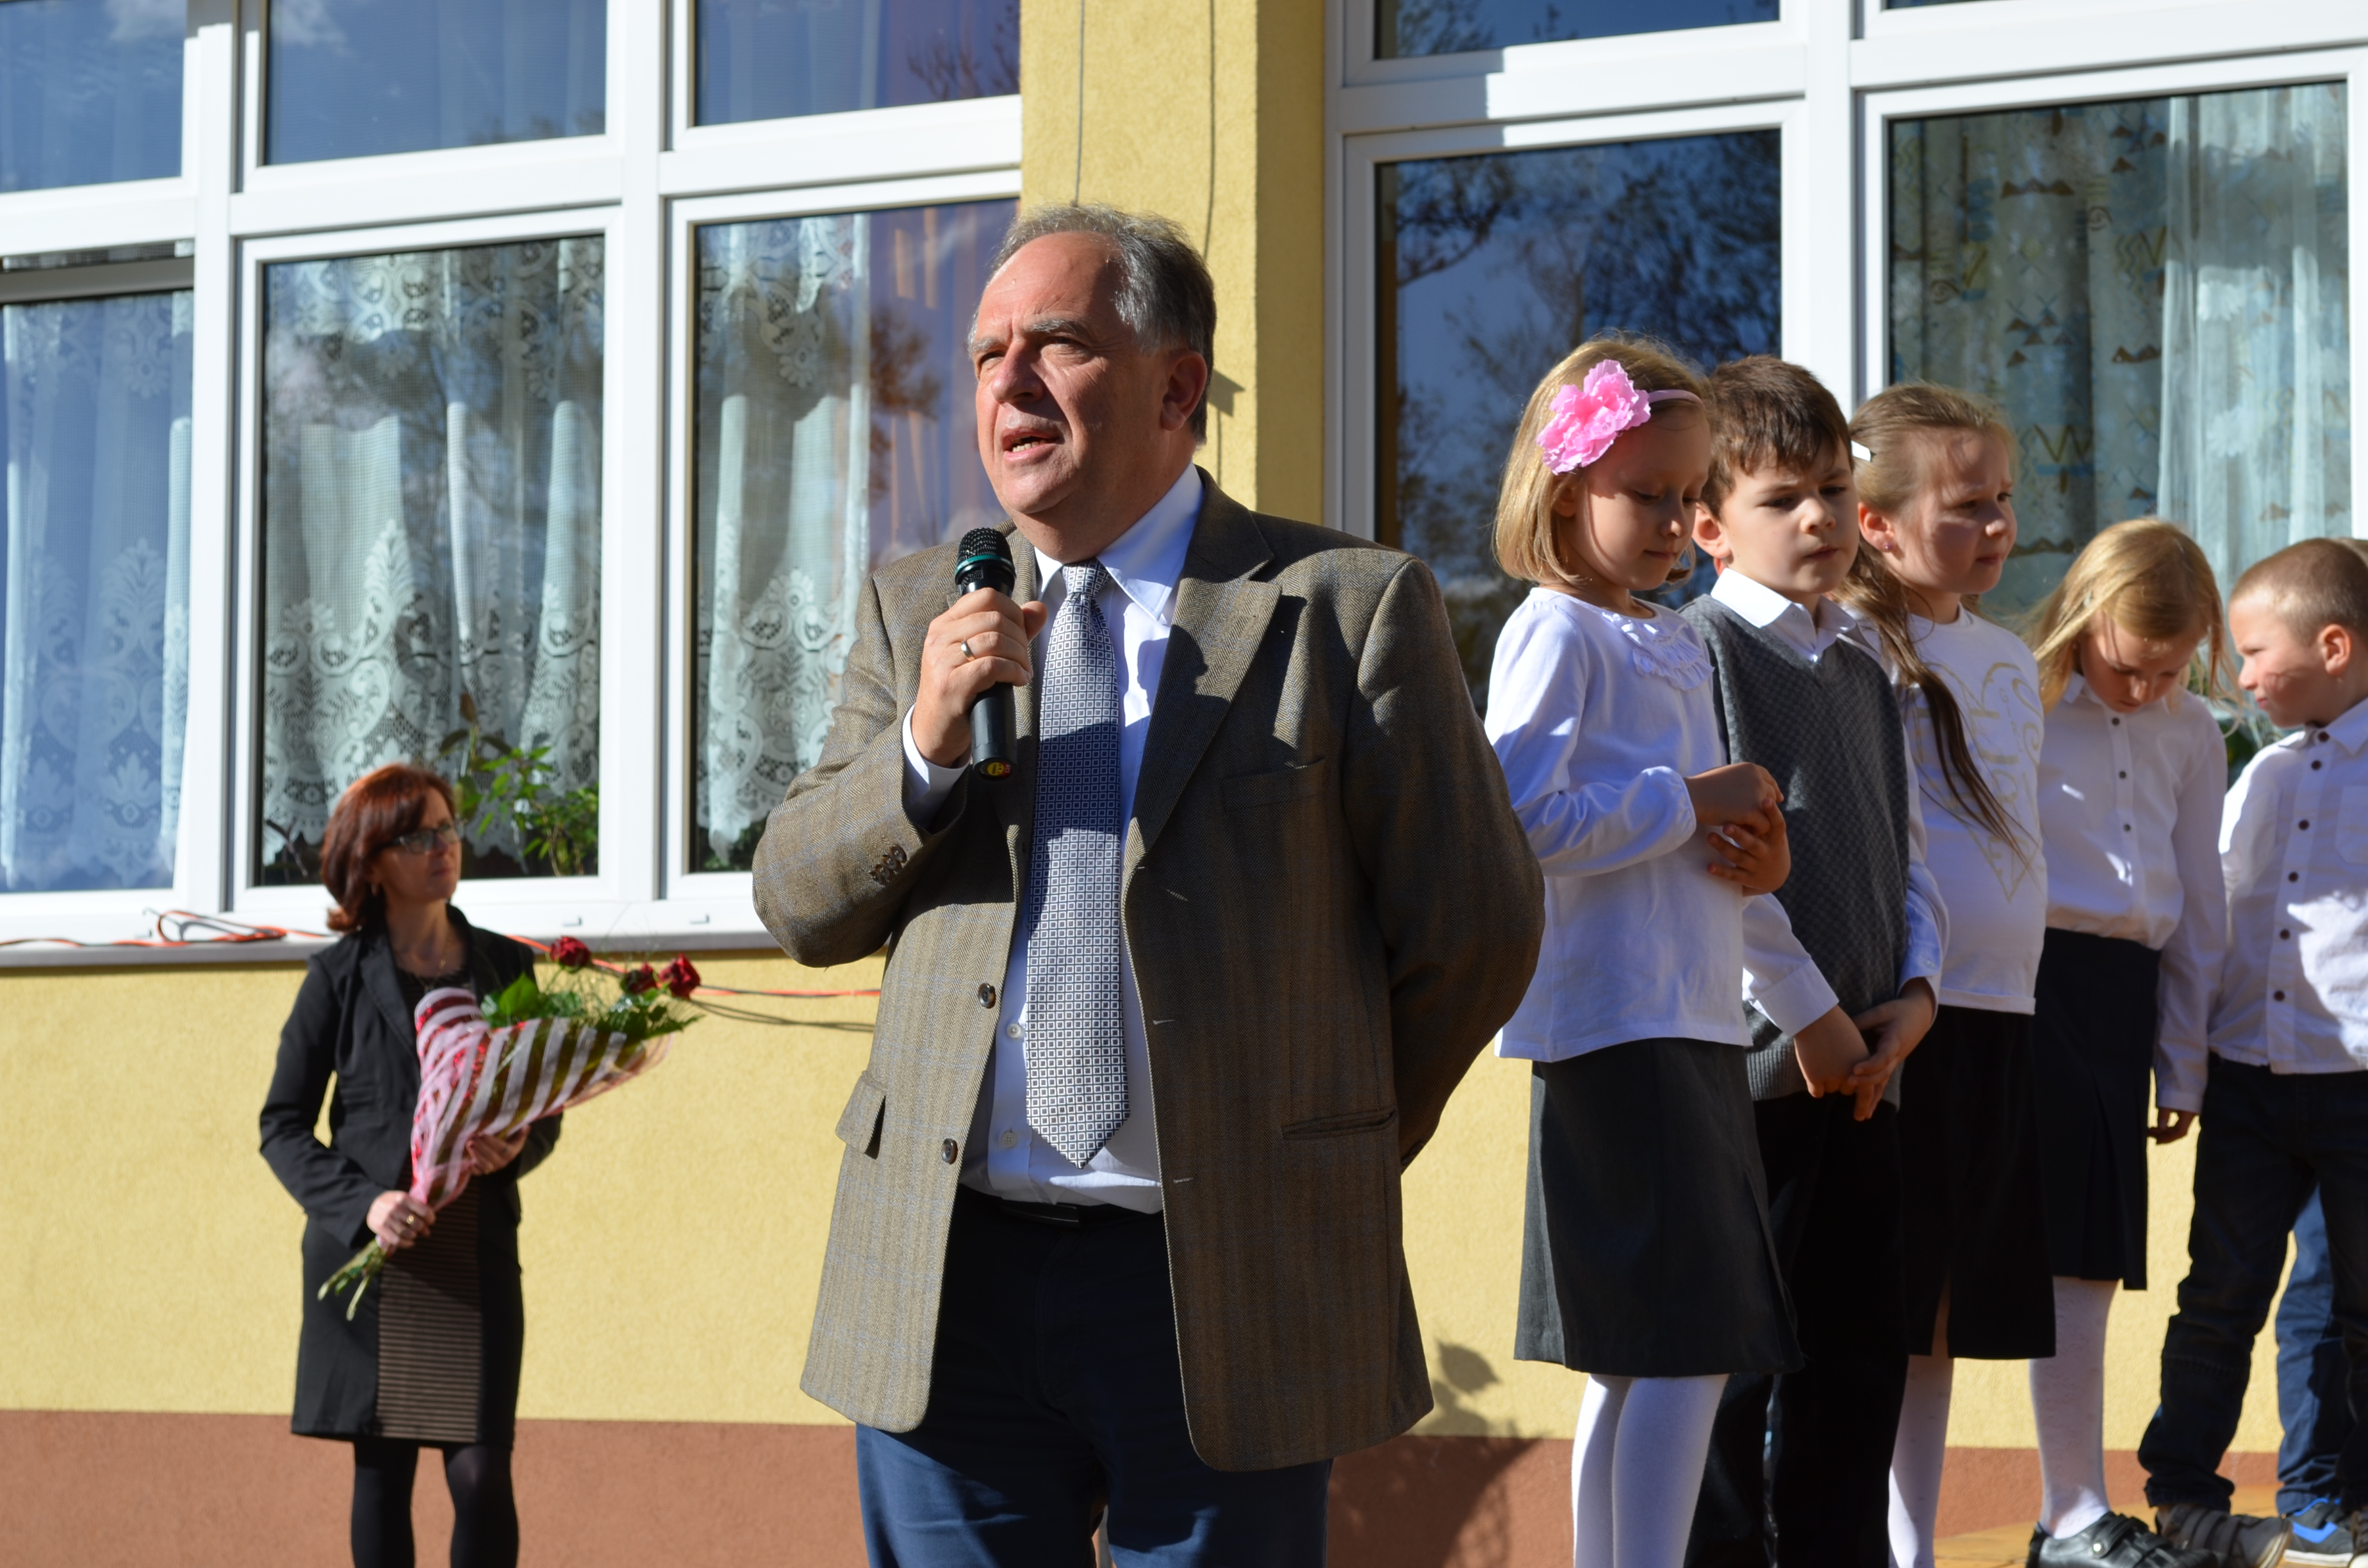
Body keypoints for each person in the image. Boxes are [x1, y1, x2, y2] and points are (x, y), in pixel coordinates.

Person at [751, 202, 1543, 1565]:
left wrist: (1318, 1146)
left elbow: (1473, 930)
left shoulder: (1342, 607)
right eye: (987, 351)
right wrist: (925, 748)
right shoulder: (918, 606)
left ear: (1178, 388)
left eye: (1055, 343)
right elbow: (797, 900)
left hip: (1225, 1277)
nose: (1006, 381)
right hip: (947, 1283)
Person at [1483, 337, 1851, 1568]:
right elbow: (1521, 821)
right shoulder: (1554, 631)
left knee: (1653, 1353)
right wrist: (1687, 801)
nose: (1673, 522)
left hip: (1691, 1024)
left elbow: (1713, 857)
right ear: (1563, 490)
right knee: (1685, 1347)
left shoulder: (1671, 640)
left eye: (1688, 496)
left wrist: (1783, 936)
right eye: (1644, 493)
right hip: (1614, 1025)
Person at [1679, 355, 1946, 1568]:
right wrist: (1813, 1020)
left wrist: (1917, 996)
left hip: (1871, 1068)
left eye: (1834, 489)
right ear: (1709, 527)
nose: (1819, 519)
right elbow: (1719, 871)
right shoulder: (1697, 655)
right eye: (1782, 497)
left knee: (1858, 1351)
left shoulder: (1865, 663)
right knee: (1736, 1366)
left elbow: (1904, 850)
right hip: (1756, 1072)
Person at [1838, 383, 2057, 1568]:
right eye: (1965, 504)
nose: (1996, 524)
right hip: (1904, 1014)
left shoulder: (2006, 655)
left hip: (1999, 1011)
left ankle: (1910, 1546)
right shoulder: (1855, 650)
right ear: (1875, 523)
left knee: (1939, 1319)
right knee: (1874, 1307)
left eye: (2003, 498)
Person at [259, 764, 559, 1568]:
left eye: (448, 828)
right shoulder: (337, 978)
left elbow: (543, 1105)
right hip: (379, 1255)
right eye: (418, 835)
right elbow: (281, 1126)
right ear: (372, 861)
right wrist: (365, 1205)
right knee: (383, 1478)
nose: (443, 846)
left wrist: (518, 1145)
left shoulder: (505, 966)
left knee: (482, 1477)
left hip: (472, 1258)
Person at [2135, 538, 2368, 1568]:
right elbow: (2216, 917)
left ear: (2334, 646)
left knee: (2348, 1305)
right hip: (2249, 1083)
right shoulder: (2262, 773)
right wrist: (2186, 1061)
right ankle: (2182, 1494)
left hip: (2357, 1084)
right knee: (2220, 1293)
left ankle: (2329, 1501)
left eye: (2255, 651)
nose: (2238, 674)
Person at [2018, 519, 2230, 1568]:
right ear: (2085, 615)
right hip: (2016, 983)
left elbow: (2201, 903)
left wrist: (2181, 1059)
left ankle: (2072, 1510)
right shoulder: (2018, 703)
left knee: (2088, 1260)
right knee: (1951, 1258)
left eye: (2170, 669)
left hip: (2120, 1002)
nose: (2146, 689)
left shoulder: (2192, 733)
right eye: (2128, 665)